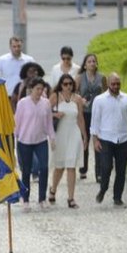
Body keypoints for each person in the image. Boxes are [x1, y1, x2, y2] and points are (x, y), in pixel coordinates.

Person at [90, 72, 127, 208]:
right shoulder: (100, 100)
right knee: (106, 167)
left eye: (118, 83)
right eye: (113, 83)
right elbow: (95, 120)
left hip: (123, 139)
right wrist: (95, 139)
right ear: (107, 84)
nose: (116, 86)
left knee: (121, 170)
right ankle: (103, 188)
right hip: (106, 139)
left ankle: (117, 198)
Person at [14, 77, 55, 211]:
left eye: (41, 89)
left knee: (43, 168)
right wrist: (16, 138)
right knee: (26, 170)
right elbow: (17, 122)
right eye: (37, 89)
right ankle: (25, 199)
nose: (39, 91)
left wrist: (52, 138)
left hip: (41, 140)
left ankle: (42, 198)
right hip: (25, 141)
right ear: (31, 89)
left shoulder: (46, 103)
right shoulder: (22, 103)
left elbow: (49, 122)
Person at [48, 74, 87, 208]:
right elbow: (44, 112)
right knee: (59, 166)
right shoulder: (55, 97)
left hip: (74, 132)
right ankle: (53, 189)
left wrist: (84, 136)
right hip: (60, 133)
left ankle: (71, 198)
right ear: (60, 85)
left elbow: (80, 118)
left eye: (70, 83)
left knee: (71, 165)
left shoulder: (77, 99)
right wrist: (55, 114)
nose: (68, 86)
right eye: (65, 84)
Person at [75, 53, 107, 182]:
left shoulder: (102, 78)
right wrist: (79, 100)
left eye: (94, 61)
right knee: (84, 139)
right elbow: (73, 93)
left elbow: (106, 94)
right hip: (84, 113)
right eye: (89, 61)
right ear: (85, 64)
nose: (92, 63)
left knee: (98, 142)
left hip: (98, 114)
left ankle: (99, 172)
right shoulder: (79, 78)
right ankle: (83, 169)